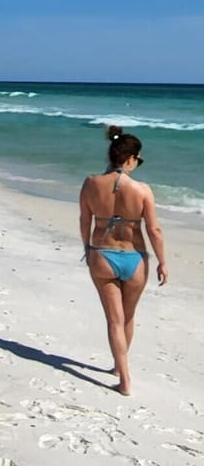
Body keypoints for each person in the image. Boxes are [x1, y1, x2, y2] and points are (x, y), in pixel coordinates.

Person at [79, 125, 168, 396]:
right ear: (130, 159)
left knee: (114, 320)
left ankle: (123, 375)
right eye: (137, 160)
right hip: (135, 258)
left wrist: (87, 247)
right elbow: (154, 230)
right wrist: (163, 262)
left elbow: (85, 220)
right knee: (128, 318)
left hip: (102, 254)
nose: (137, 164)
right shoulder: (142, 190)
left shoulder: (91, 183)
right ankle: (120, 370)